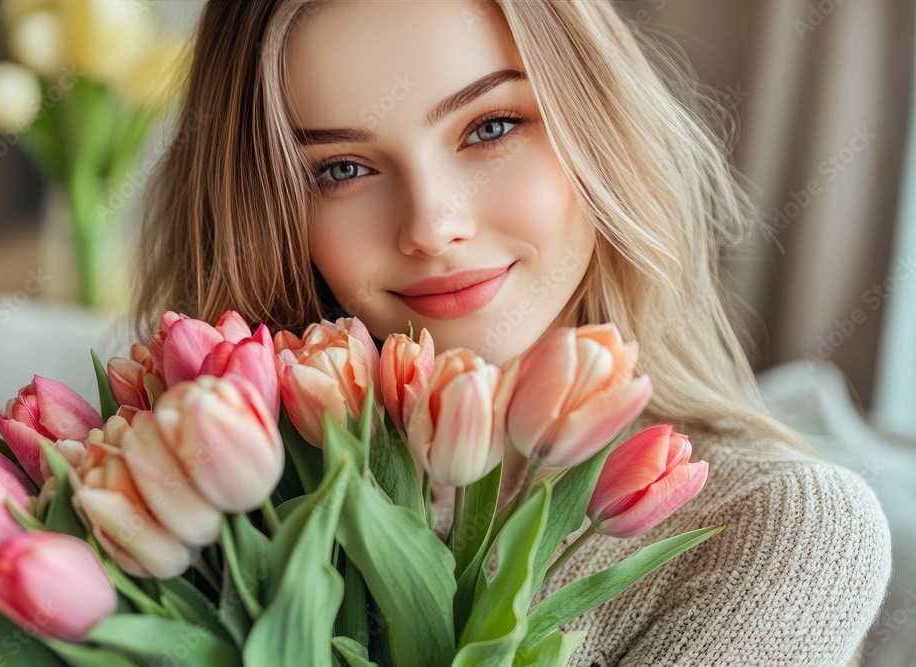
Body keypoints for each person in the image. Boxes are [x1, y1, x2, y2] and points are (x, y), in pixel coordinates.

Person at [130, 1, 892, 664]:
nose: (433, 226)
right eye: (340, 170)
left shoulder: (779, 530)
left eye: (491, 126)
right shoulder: (206, 482)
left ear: (598, 129)